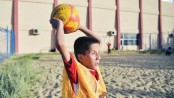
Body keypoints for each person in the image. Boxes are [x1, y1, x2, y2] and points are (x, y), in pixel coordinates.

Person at [50, 18, 107, 98]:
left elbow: (99, 41)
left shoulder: (94, 68)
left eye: (98, 53)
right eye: (93, 53)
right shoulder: (76, 71)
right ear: (80, 57)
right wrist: (60, 24)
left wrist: (80, 27)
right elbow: (60, 45)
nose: (98, 57)